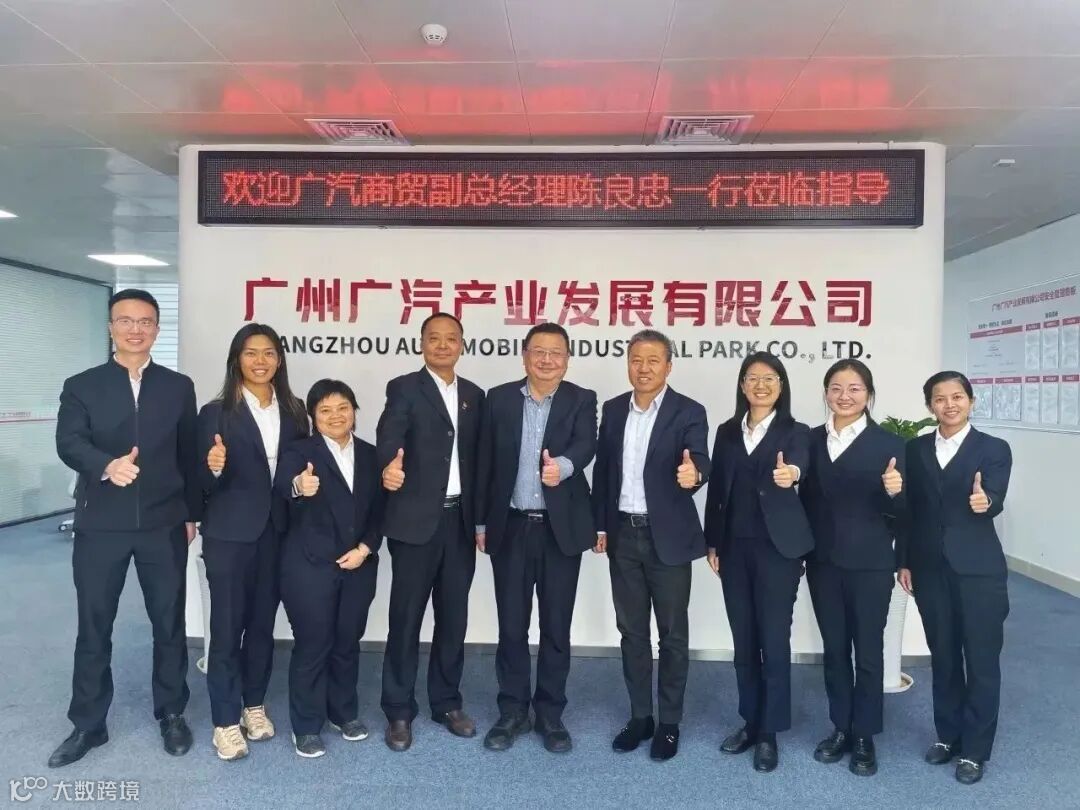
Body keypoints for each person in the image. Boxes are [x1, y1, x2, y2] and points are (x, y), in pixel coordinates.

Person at [50, 289, 201, 768]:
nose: (136, 329)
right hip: (102, 523)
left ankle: (171, 712)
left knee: (169, 623)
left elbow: (189, 453)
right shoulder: (82, 385)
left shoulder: (178, 387)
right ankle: (88, 723)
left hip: (163, 522)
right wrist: (106, 465)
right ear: (111, 327)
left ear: (157, 328)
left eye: (145, 321)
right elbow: (68, 441)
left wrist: (191, 513)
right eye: (126, 320)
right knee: (94, 625)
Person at [475, 323, 598, 754]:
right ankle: (512, 710)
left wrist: (563, 466)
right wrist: (480, 523)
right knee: (511, 625)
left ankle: (550, 713)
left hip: (559, 531)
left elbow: (586, 444)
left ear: (567, 359)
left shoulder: (582, 399)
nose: (547, 360)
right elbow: (485, 461)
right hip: (510, 526)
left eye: (556, 353)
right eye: (539, 352)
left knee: (556, 626)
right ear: (524, 355)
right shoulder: (499, 399)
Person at [591, 329, 709, 761]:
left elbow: (700, 458)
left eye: (653, 360)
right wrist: (599, 525)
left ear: (669, 366)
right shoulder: (613, 409)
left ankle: (670, 723)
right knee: (632, 632)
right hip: (623, 534)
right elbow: (604, 471)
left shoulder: (689, 411)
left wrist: (694, 475)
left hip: (668, 539)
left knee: (673, 635)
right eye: (636, 360)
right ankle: (641, 716)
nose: (643, 368)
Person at [197, 323, 309, 760]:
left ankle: (253, 705)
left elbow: (299, 472)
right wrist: (213, 467)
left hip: (277, 533)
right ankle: (224, 721)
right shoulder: (216, 412)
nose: (260, 361)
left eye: (268, 353)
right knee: (227, 628)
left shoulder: (295, 411)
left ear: (279, 360)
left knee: (262, 625)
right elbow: (199, 480)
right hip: (229, 534)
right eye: (250, 353)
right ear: (236, 360)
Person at [897, 371, 1012, 786]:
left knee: (981, 661)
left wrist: (986, 501)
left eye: (957, 396)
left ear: (971, 401)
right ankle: (948, 736)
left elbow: (994, 496)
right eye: (940, 398)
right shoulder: (915, 449)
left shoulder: (993, 448)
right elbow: (909, 511)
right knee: (943, 657)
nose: (949, 405)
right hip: (929, 569)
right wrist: (904, 560)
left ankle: (975, 751)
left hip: (979, 570)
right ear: (930, 405)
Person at [377, 312, 485, 751]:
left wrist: (482, 521)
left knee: (453, 619)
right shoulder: (404, 388)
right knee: (405, 620)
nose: (443, 345)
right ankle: (398, 710)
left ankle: (446, 702)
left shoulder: (474, 395)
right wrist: (388, 465)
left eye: (451, 338)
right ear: (420, 343)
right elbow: (389, 435)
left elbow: (480, 459)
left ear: (462, 344)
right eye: (434, 338)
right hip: (414, 522)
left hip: (459, 522)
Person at [703, 351, 813, 773]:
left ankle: (769, 732)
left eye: (770, 378)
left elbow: (800, 466)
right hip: (734, 549)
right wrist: (713, 542)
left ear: (781, 386)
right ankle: (750, 721)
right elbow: (717, 491)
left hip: (778, 551)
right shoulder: (727, 431)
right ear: (742, 385)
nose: (761, 385)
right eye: (752, 378)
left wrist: (792, 474)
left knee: (774, 639)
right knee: (744, 640)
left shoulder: (796, 431)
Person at [799, 360, 906, 776]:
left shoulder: (890, 444)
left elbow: (906, 513)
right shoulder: (808, 440)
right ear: (826, 392)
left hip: (870, 564)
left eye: (855, 388)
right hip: (823, 562)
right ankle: (841, 727)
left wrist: (896, 494)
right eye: (836, 388)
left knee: (868, 650)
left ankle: (864, 735)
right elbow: (801, 501)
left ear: (869, 394)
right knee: (835, 649)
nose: (845, 396)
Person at [275, 380, 383, 759]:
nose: (335, 416)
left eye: (343, 407)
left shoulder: (370, 454)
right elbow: (282, 489)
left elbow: (380, 510)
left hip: (358, 564)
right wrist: (299, 486)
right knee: (313, 644)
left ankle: (343, 713)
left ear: (354, 410)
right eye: (325, 410)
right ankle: (306, 726)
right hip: (309, 567)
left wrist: (365, 549)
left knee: (347, 642)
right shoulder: (299, 452)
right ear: (313, 417)